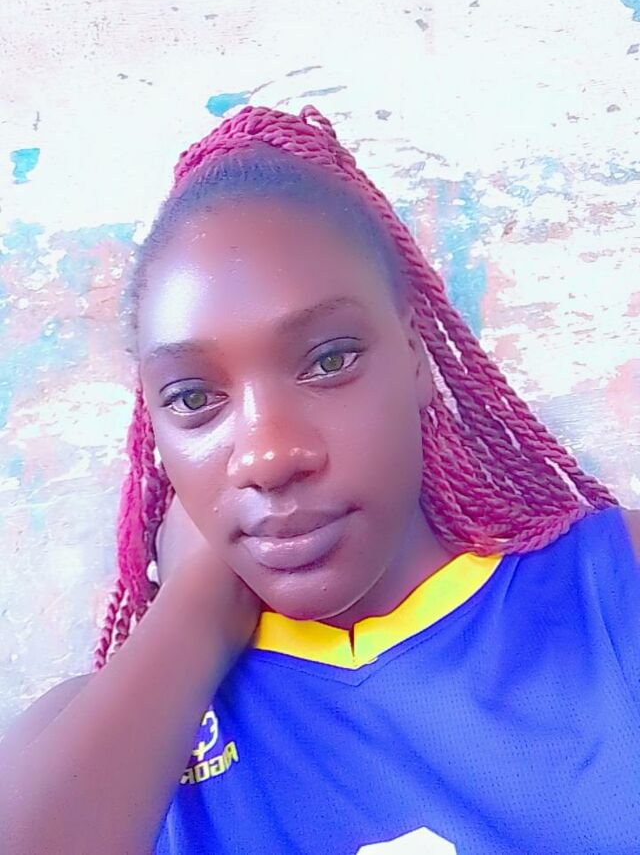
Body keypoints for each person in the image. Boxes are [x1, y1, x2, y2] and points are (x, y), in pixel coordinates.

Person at [1, 104, 639, 855]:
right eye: (194, 399)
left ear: (414, 355)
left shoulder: (609, 589)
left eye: (329, 360)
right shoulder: (100, 740)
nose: (267, 456)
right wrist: (197, 609)